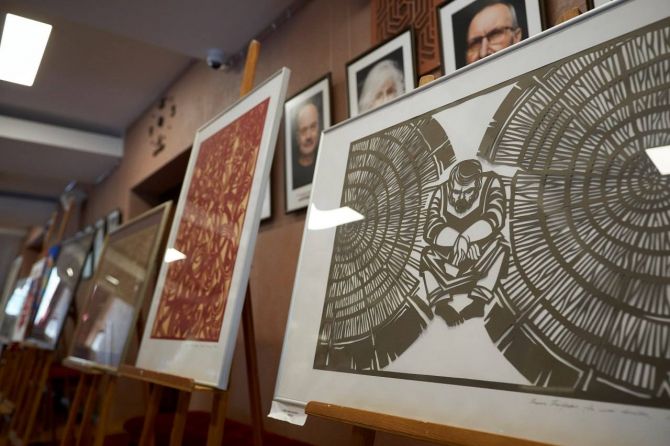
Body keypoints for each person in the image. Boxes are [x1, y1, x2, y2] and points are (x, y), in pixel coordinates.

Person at [420, 159, 509, 326]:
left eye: (467, 192)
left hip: (479, 256)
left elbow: (494, 217)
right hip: (449, 259)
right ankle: (441, 304)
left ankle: (479, 302)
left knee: (500, 246)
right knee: (426, 255)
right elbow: (431, 228)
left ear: (478, 185)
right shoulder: (441, 191)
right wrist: (458, 241)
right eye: (455, 192)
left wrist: (467, 238)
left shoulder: (491, 183)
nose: (460, 197)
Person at [292, 101, 320, 190]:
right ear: (297, 136)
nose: (308, 136)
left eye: (313, 127)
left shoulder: (326, 163)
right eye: (303, 130)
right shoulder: (292, 173)